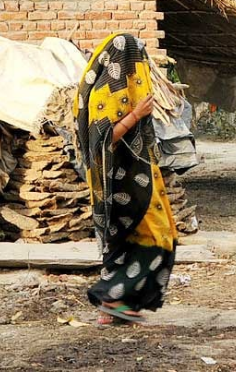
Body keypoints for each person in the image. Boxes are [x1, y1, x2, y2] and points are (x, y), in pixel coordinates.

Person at [73, 33, 178, 325]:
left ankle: (115, 306)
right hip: (117, 181)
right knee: (156, 237)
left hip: (137, 175)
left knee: (137, 238)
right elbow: (100, 140)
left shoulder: (124, 87)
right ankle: (109, 297)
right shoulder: (103, 92)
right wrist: (135, 115)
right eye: (136, 61)